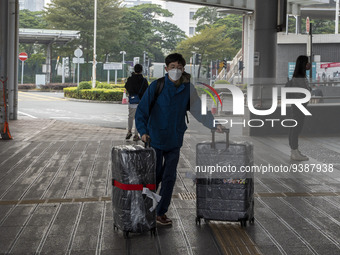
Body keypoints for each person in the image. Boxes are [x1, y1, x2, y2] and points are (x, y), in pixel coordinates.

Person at [135, 53, 222, 225]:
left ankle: (160, 212)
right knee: (154, 176)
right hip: (155, 138)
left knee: (169, 177)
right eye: (172, 67)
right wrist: (143, 131)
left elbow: (198, 110)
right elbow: (142, 111)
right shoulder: (157, 86)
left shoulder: (188, 89)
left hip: (174, 139)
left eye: (179, 67)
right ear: (166, 69)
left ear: (184, 69)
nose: (176, 70)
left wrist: (214, 124)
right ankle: (144, 207)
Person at [288, 55, 311, 161]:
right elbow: (300, 93)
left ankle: (295, 150)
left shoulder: (301, 76)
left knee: (296, 128)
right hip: (298, 106)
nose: (309, 64)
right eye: (307, 62)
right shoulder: (298, 78)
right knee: (296, 128)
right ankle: (294, 151)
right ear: (303, 64)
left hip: (300, 106)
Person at [124, 64, 148, 141]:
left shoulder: (130, 79)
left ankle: (129, 131)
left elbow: (127, 87)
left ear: (134, 70)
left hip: (132, 101)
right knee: (138, 118)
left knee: (130, 116)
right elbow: (147, 91)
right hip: (141, 102)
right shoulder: (144, 80)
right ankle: (136, 135)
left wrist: (132, 93)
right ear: (141, 70)